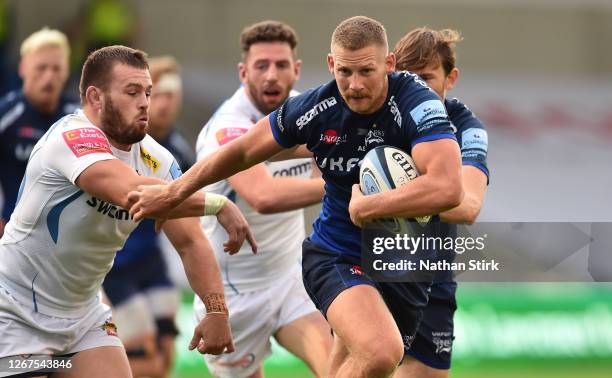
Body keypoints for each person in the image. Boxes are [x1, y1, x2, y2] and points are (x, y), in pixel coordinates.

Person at [129, 16, 464, 378]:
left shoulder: (418, 102)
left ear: (389, 64)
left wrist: (369, 203)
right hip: (330, 256)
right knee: (382, 352)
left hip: (388, 261)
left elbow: (449, 188)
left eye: (366, 71)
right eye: (345, 72)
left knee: (348, 365)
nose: (354, 85)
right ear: (331, 65)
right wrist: (174, 192)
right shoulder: (313, 108)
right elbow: (244, 153)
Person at [0, 45, 255, 378]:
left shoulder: (159, 160)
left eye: (147, 92)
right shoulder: (72, 136)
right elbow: (131, 192)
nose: (145, 102)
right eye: (132, 92)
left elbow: (190, 241)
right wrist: (216, 203)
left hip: (83, 315)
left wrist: (217, 311)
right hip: (15, 309)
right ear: (95, 97)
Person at [194, 21, 331, 378]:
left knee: (339, 366)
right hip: (233, 293)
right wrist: (349, 187)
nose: (272, 75)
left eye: (282, 65)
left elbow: (331, 162)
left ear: (296, 69)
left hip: (290, 279)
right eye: (261, 65)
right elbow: (264, 196)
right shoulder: (228, 128)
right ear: (243, 72)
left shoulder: (310, 114)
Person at [392, 27, 490, 378]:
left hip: (432, 279)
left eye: (427, 78)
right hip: (370, 271)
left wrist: (392, 195)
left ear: (452, 78)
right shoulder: (378, 113)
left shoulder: (468, 129)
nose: (417, 88)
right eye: (408, 77)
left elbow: (468, 206)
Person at [101, 55, 195, 378]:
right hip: (118, 265)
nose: (166, 104)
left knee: (166, 356)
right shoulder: (120, 144)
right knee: (142, 358)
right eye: (160, 96)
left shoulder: (177, 151)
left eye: (173, 96)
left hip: (152, 264)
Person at [0, 28, 78, 236]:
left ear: (66, 71)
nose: (49, 76)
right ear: (23, 68)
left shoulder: (80, 119)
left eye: (56, 68)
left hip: (65, 238)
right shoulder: (6, 115)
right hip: (13, 235)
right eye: (41, 68)